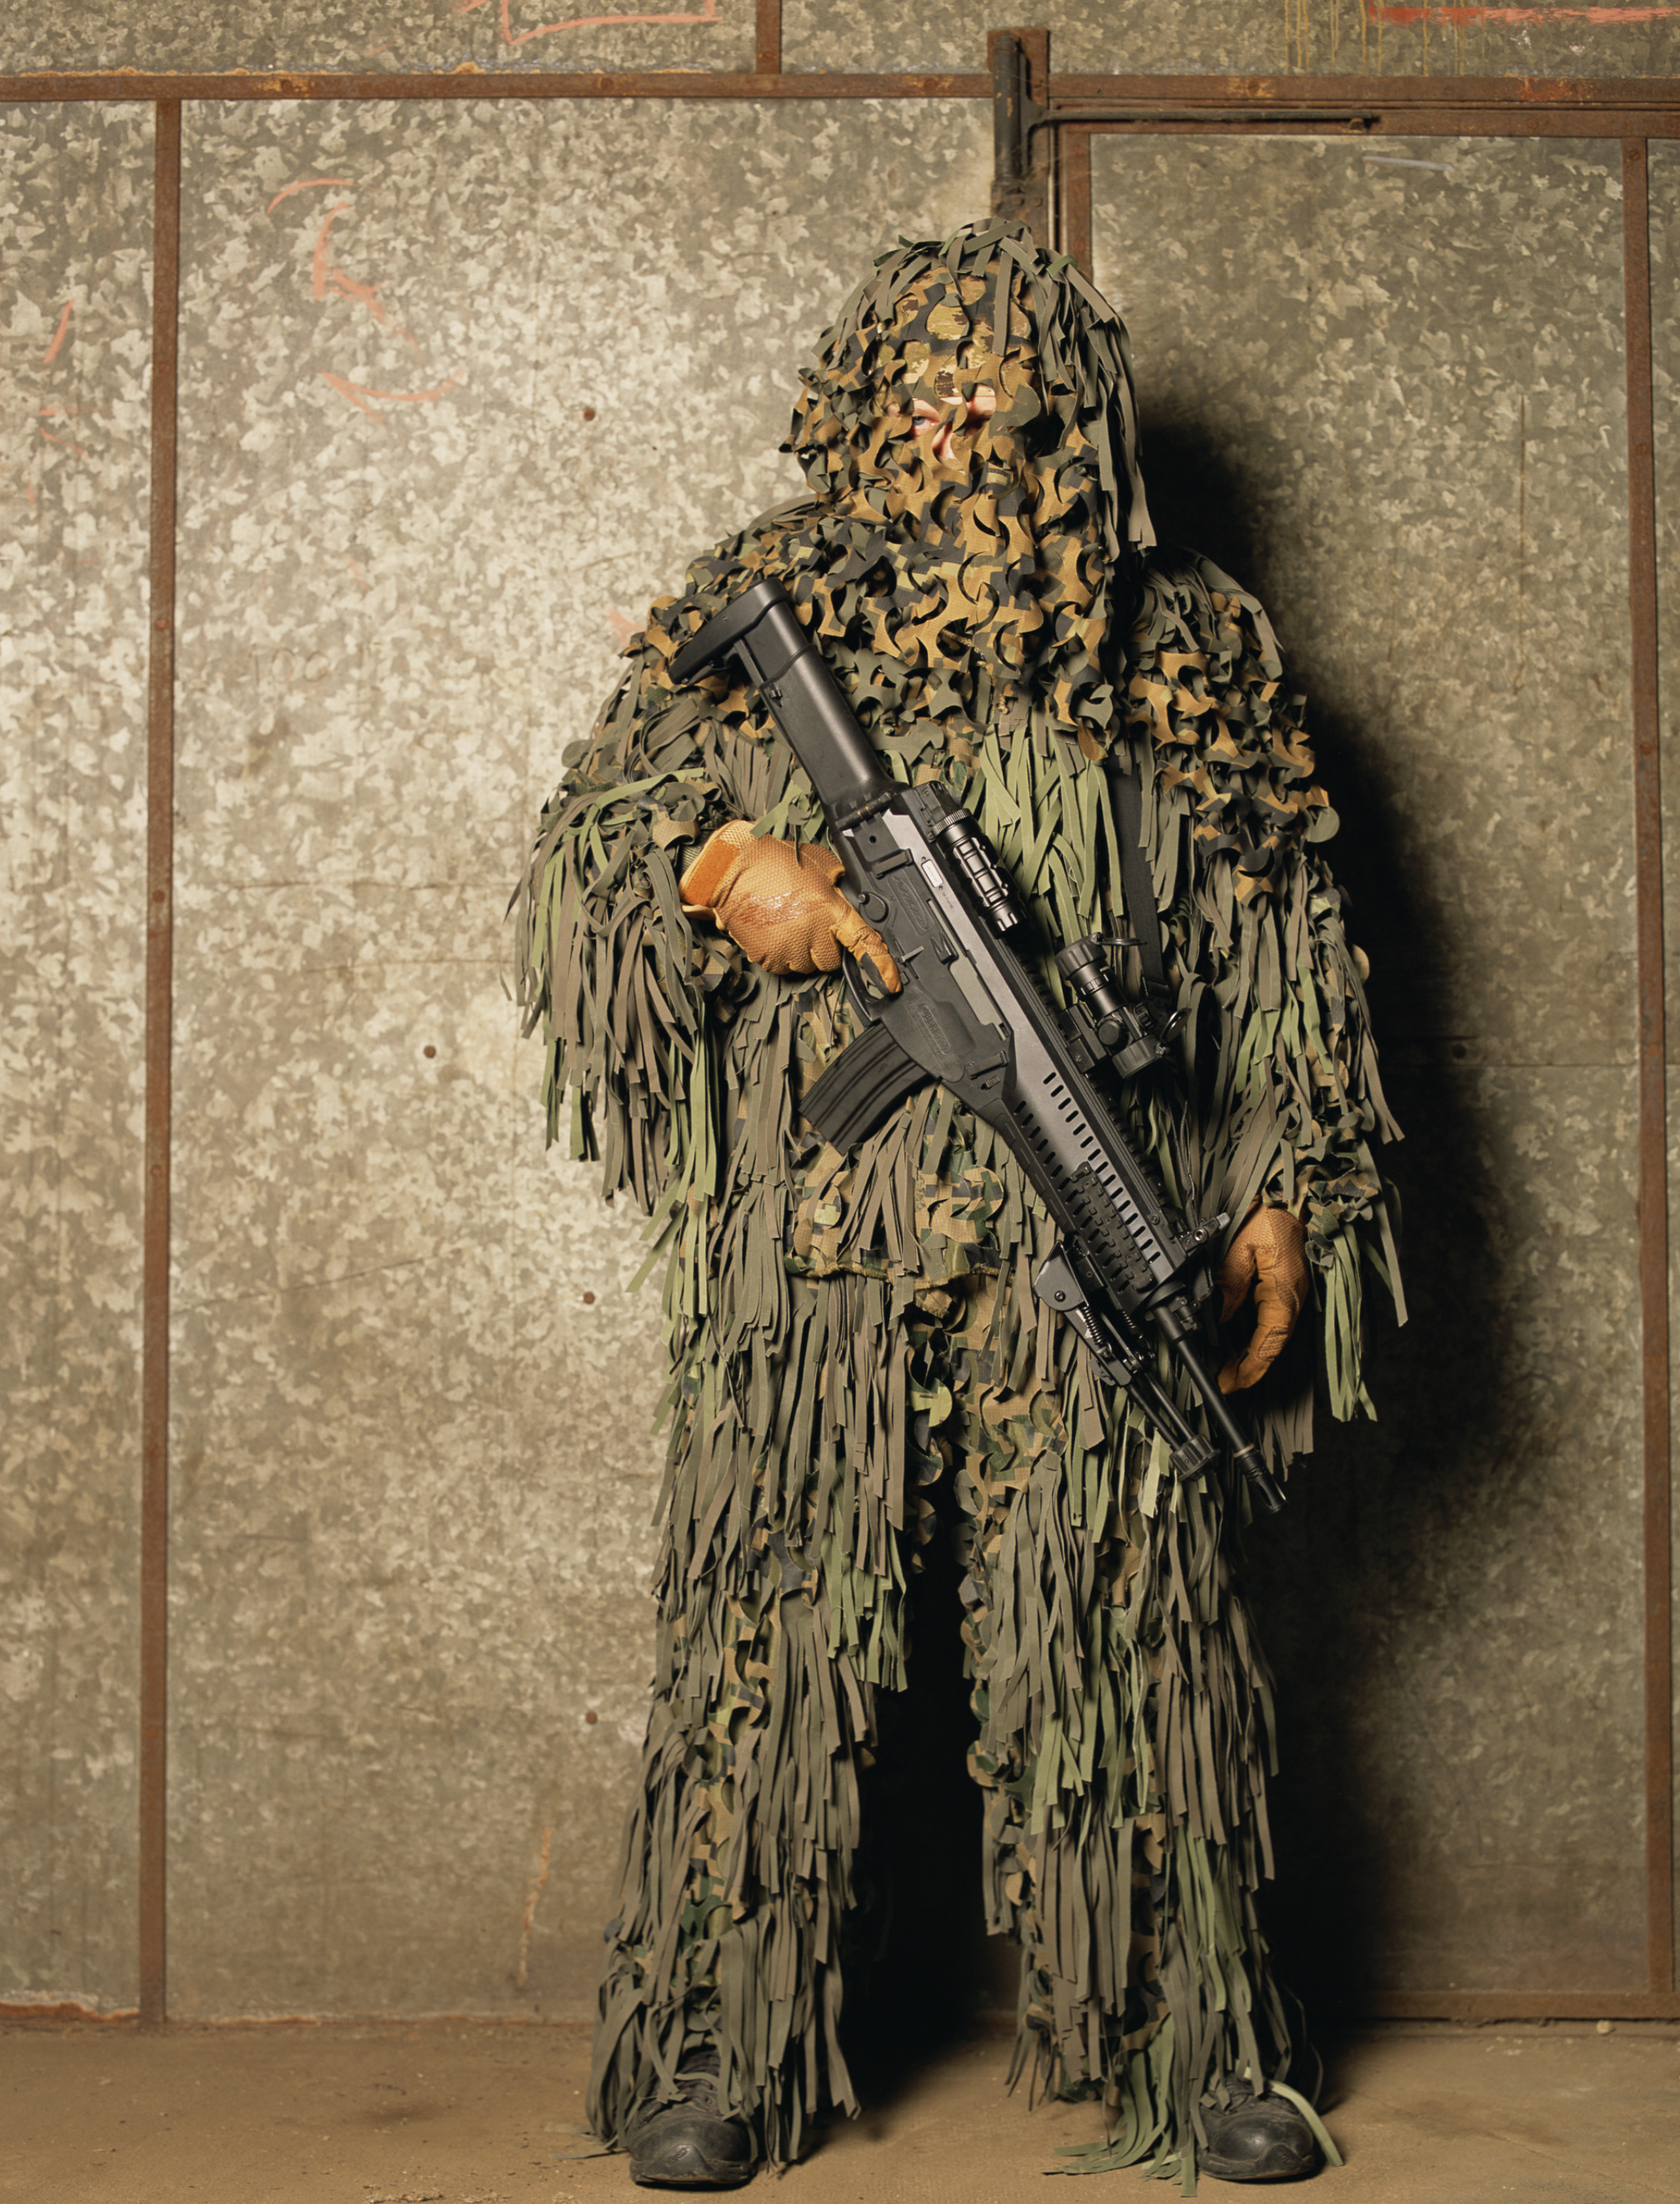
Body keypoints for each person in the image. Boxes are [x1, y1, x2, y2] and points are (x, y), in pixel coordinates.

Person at [519, 220, 1402, 2189]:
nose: (956, 404)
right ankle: (716, 2056)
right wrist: (717, 864)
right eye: (922, 369)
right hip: (809, 1244)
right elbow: (589, 835)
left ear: (1070, 406)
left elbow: (1288, 941)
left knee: (1141, 1634)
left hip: (1092, 1224)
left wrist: (1280, 1194)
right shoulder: (759, 606)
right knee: (767, 1643)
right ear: (863, 387)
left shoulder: (1187, 645)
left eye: (1000, 374)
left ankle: (1207, 2052)